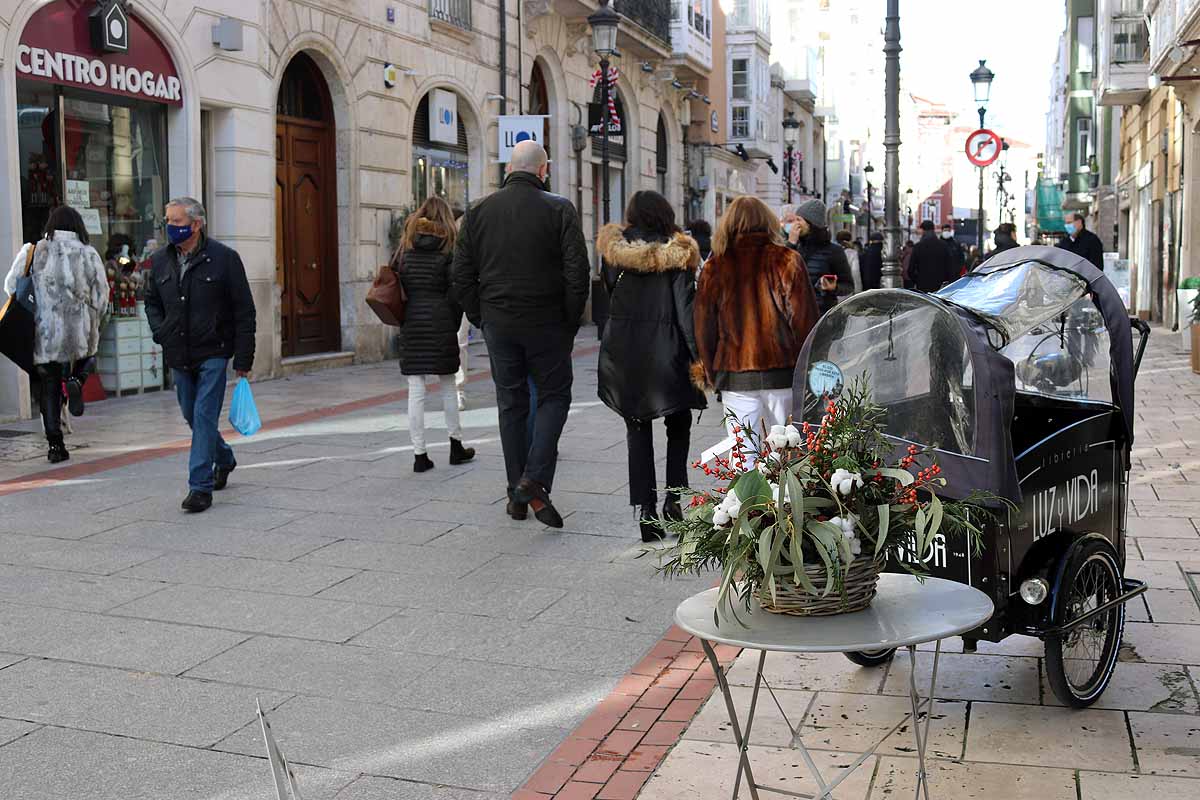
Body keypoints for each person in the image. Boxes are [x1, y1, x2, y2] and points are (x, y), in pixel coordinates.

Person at [452, 140, 588, 528]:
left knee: (511, 404)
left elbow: (461, 275)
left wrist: (483, 317)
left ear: (508, 169)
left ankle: (519, 490)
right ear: (543, 171)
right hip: (546, 321)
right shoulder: (559, 208)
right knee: (555, 396)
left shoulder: (478, 211)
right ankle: (533, 480)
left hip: (500, 321)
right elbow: (577, 273)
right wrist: (568, 321)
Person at [597, 192, 706, 543]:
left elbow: (609, 293)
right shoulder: (678, 252)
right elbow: (685, 309)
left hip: (626, 349)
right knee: (679, 422)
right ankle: (673, 499)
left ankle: (645, 511)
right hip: (669, 350)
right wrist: (699, 358)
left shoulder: (614, 252)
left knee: (637, 426)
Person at [144, 198, 255, 513]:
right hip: (178, 351)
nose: (170, 226)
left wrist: (243, 360)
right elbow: (151, 301)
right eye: (167, 219)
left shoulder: (224, 259)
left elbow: (244, 311)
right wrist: (160, 331)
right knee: (192, 415)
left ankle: (199, 488)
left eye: (176, 221)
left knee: (205, 415)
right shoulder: (160, 261)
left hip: (214, 351)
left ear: (196, 223)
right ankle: (225, 457)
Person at [695, 196, 820, 441]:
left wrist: (711, 372)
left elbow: (704, 327)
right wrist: (807, 369)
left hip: (735, 374)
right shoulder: (788, 261)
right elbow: (805, 322)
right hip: (782, 372)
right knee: (785, 452)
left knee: (744, 457)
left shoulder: (715, 266)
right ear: (768, 222)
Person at [4, 206, 107, 463]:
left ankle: (55, 446)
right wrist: (93, 320)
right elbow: (101, 297)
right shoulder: (89, 253)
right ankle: (77, 380)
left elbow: (10, 286)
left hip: (45, 332)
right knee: (87, 356)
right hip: (79, 330)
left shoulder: (34, 250)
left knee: (48, 387)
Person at [396, 197, 475, 473]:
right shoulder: (448, 250)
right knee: (447, 386)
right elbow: (456, 293)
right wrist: (452, 322)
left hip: (412, 321)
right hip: (441, 319)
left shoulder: (405, 247)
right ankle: (455, 446)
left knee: (415, 390)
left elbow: (396, 284)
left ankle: (420, 455)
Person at [793, 198, 852, 314]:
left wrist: (834, 287)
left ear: (811, 224)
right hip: (794, 315)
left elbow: (848, 286)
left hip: (821, 315)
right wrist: (790, 243)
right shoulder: (795, 248)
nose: (795, 224)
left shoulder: (834, 251)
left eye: (799, 220)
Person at [908, 220, 956, 293]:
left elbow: (910, 270)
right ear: (933, 230)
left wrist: (918, 280)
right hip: (940, 286)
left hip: (922, 286)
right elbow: (950, 267)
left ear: (923, 231)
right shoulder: (943, 246)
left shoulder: (918, 247)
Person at [835, 229, 863, 294]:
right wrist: (857, 291)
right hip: (846, 289)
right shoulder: (852, 253)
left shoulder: (832, 251)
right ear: (850, 239)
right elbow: (855, 272)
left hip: (832, 288)